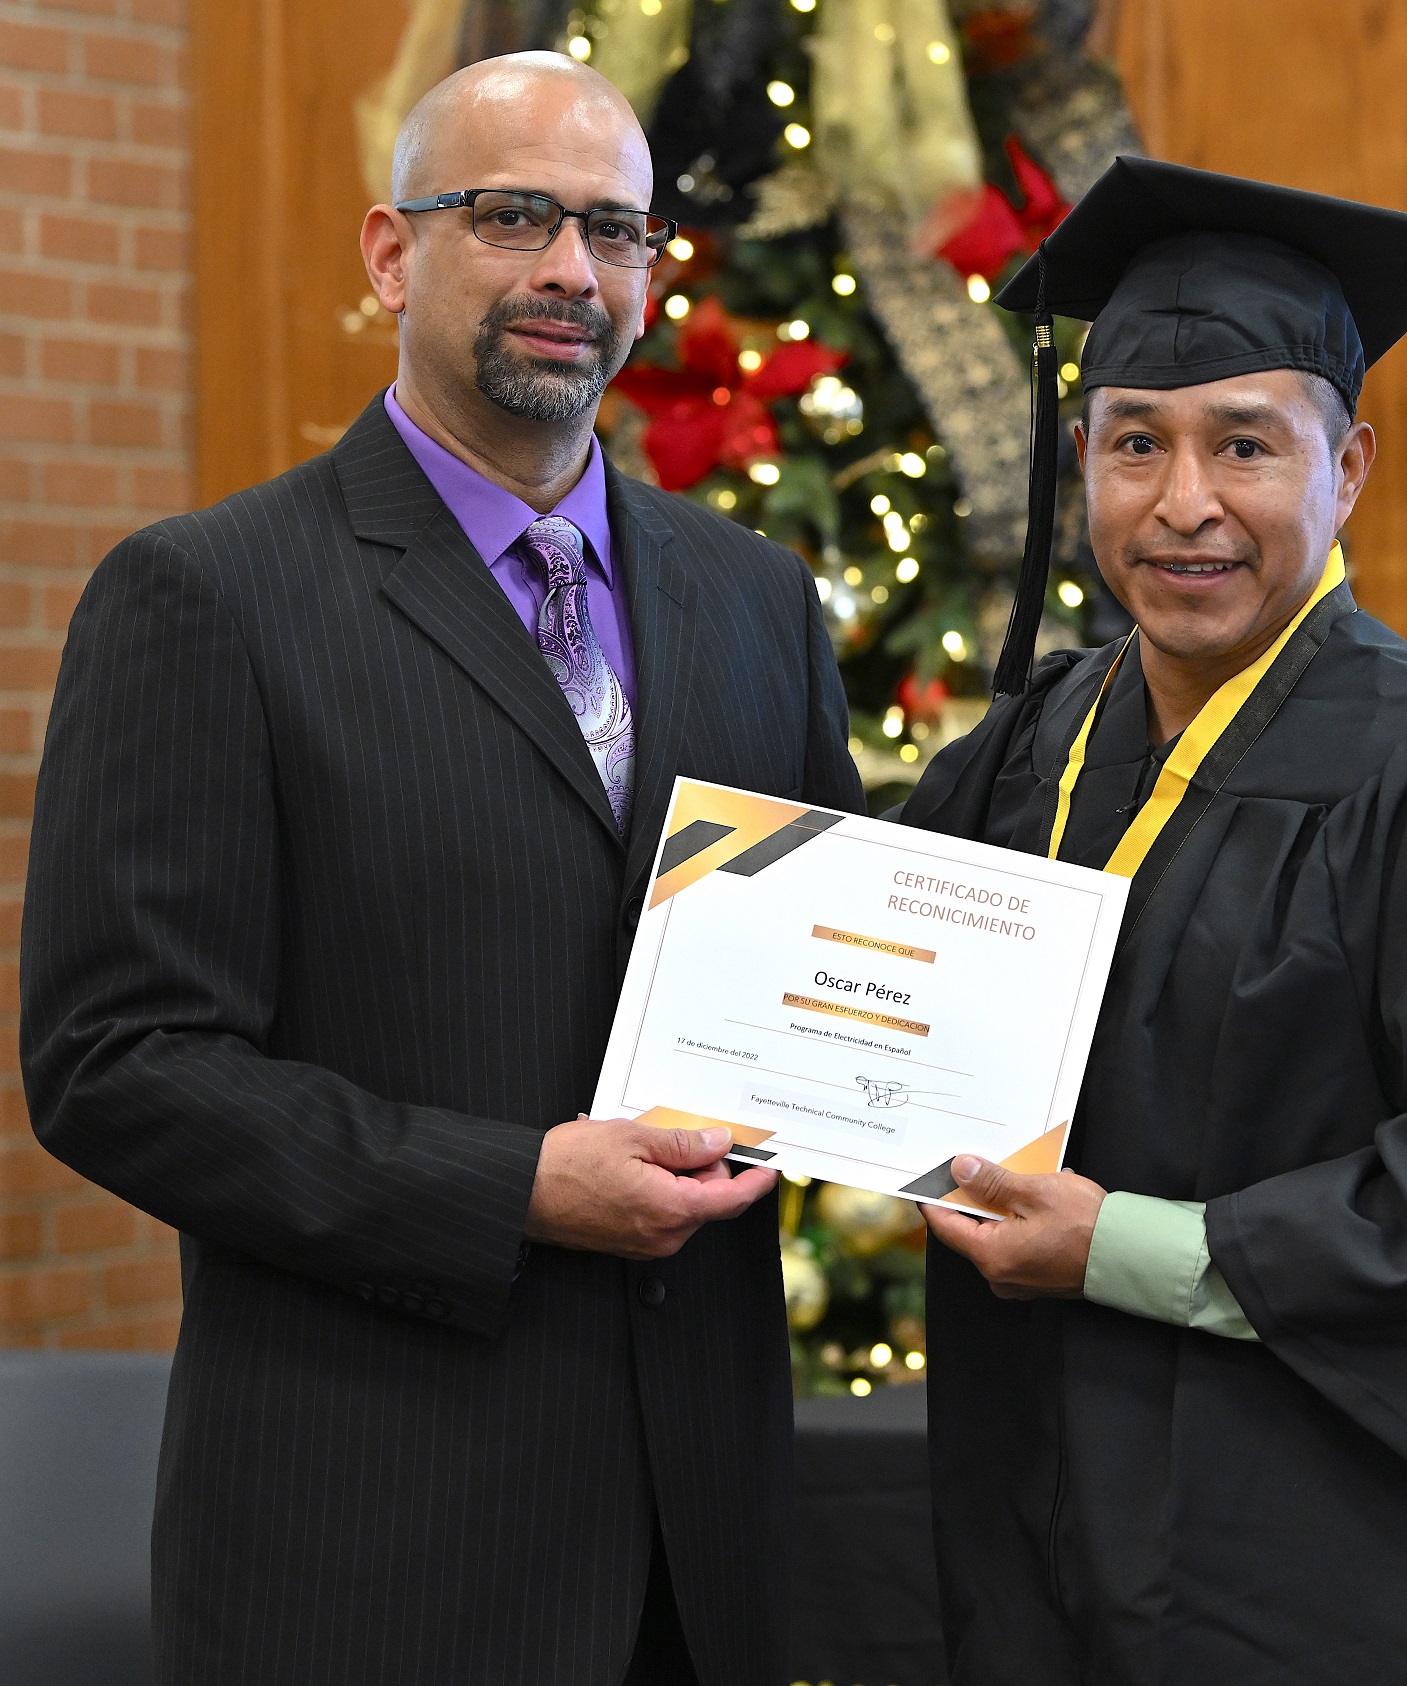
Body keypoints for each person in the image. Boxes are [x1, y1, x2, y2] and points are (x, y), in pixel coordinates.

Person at [20, 52, 861, 1686]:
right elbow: (115, 1066)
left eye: (616, 230)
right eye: (512, 215)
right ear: (391, 254)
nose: (571, 270)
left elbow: (830, 972)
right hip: (374, 1553)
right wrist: (515, 1187)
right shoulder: (210, 599)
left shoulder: (758, 600)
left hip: (702, 1561)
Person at [904, 157, 1407, 1686]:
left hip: (1331, 1565)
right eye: (1136, 445)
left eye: (1245, 444)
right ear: (1084, 461)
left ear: (1350, 467)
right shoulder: (1026, 751)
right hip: (1042, 1536)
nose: (1185, 503)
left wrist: (1116, 1246)